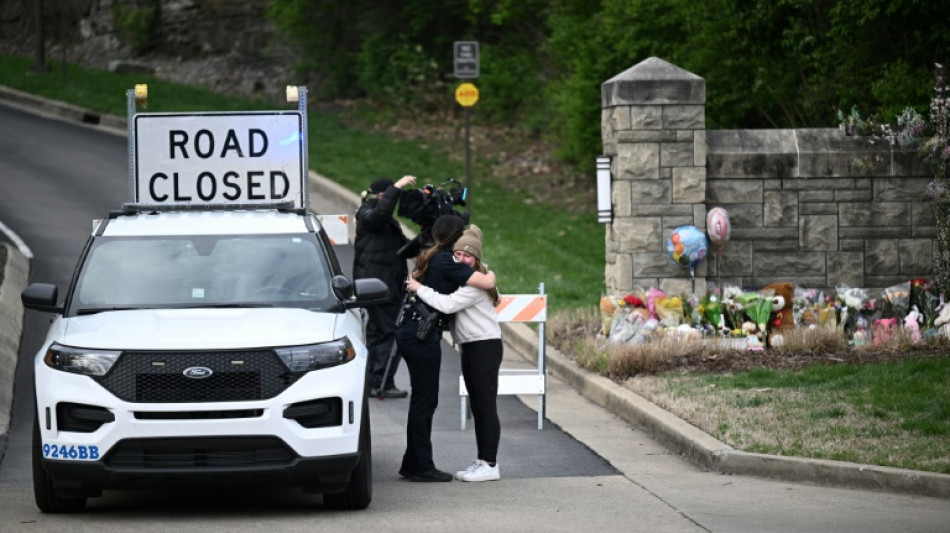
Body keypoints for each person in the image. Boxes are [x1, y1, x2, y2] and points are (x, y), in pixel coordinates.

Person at [396, 215, 496, 482]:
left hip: (413, 333)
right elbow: (482, 284)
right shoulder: (445, 260)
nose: (461, 257)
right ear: (454, 237)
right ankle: (419, 465)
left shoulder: (433, 256)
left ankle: (414, 462)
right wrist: (491, 273)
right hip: (420, 336)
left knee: (423, 400)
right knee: (425, 400)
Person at [353, 175, 416, 399]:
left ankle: (373, 382)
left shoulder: (381, 220)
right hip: (379, 286)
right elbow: (380, 215)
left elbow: (398, 249)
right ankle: (382, 382)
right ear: (382, 196)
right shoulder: (367, 213)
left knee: (377, 332)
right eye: (391, 196)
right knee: (390, 332)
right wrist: (397, 187)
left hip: (383, 284)